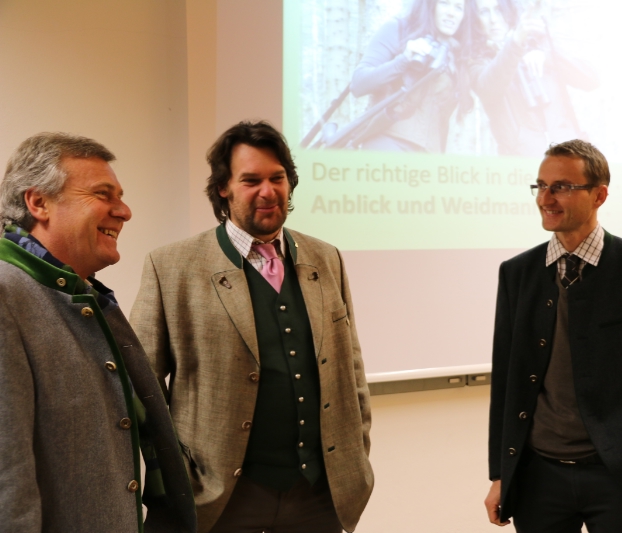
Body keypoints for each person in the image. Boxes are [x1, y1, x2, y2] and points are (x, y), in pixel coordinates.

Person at [130, 121, 373, 533]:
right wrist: (175, 471)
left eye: (277, 178)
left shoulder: (325, 258)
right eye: (251, 180)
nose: (268, 191)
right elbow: (141, 385)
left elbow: (351, 369)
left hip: (318, 496)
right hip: (218, 499)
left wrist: (357, 452)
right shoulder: (171, 266)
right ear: (223, 188)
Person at [0, 133, 196, 532]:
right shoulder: (7, 295)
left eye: (120, 197)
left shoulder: (82, 296)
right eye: (102, 194)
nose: (124, 211)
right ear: (38, 203)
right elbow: (7, 480)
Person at [485, 139, 622, 532]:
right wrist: (501, 473)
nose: (546, 198)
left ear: (599, 195)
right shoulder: (517, 273)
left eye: (561, 187)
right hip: (538, 477)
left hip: (619, 476)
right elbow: (507, 379)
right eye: (541, 186)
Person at [468, 0, 599, 156]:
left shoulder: (538, 41)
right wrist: (515, 44)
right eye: (484, 12)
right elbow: (488, 88)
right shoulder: (477, 61)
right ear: (475, 20)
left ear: (508, 9)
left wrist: (547, 57)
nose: (493, 19)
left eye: (498, 9)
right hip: (522, 165)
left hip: (569, 158)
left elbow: (591, 79)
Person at [347, 0, 473, 152]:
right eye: (444, 3)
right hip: (386, 143)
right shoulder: (398, 29)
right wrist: (403, 60)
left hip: (429, 156)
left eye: (458, 7)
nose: (451, 13)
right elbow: (358, 83)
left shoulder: (460, 55)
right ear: (430, 5)